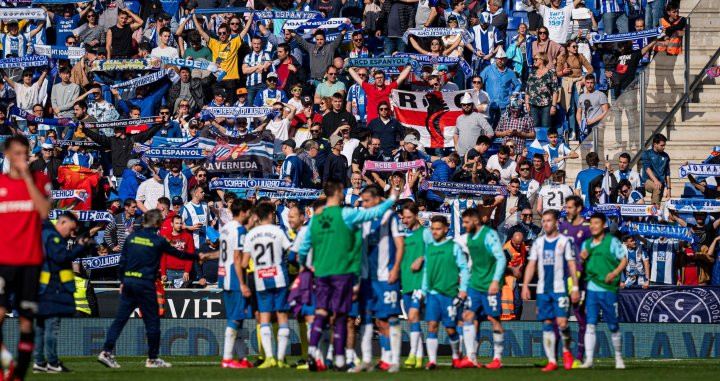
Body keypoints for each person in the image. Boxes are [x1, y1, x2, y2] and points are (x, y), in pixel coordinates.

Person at [297, 180, 399, 371]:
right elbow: (374, 212)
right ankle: (340, 360)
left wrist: (304, 266)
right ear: (337, 192)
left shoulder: (316, 218)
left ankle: (312, 353)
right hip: (342, 272)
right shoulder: (347, 214)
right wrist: (392, 198)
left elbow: (304, 248)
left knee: (321, 312)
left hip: (321, 272)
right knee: (342, 315)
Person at [98, 210, 196, 369]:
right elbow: (181, 255)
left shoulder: (131, 238)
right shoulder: (158, 240)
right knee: (152, 321)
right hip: (145, 284)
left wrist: (122, 281)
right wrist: (200, 257)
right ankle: (152, 358)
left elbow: (122, 261)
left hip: (129, 282)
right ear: (158, 223)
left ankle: (106, 352)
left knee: (120, 319)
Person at [0, 136, 51, 381]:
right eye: (16, 153)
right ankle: (7, 362)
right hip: (3, 261)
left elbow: (43, 211)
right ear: (7, 155)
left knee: (26, 323)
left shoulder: (40, 180)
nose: (21, 157)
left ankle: (18, 375)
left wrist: (27, 178)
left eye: (25, 153)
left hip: (30, 261)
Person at [522, 210, 580, 371]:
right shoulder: (538, 243)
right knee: (547, 323)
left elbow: (571, 265)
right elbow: (531, 265)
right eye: (544, 221)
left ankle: (567, 353)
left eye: (549, 220)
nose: (545, 223)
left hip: (560, 289)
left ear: (556, 223)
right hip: (542, 291)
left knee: (562, 323)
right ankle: (552, 360)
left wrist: (575, 287)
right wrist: (526, 285)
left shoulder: (565, 241)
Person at [34, 213, 90, 374]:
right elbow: (61, 257)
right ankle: (51, 362)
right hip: (52, 288)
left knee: (41, 327)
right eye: (71, 229)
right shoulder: (53, 237)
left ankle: (39, 361)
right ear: (63, 222)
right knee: (52, 326)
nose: (71, 234)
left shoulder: (45, 233)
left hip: (43, 286)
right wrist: (80, 246)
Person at [242, 203, 293, 368]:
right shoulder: (278, 231)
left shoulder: (251, 234)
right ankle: (280, 358)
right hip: (279, 277)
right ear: (271, 215)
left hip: (260, 278)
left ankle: (269, 358)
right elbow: (291, 252)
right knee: (282, 316)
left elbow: (244, 262)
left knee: (263, 318)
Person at [456, 208, 506, 369]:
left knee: (494, 319)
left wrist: (495, 281)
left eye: (466, 222)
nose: (464, 225)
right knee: (469, 316)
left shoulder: (489, 236)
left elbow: (500, 259)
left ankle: (497, 358)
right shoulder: (467, 238)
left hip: (489, 285)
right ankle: (471, 357)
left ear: (475, 221)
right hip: (474, 285)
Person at [579, 212, 628, 369]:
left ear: (603, 225)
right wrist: (581, 258)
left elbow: (624, 260)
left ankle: (619, 358)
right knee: (591, 324)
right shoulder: (586, 244)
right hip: (592, 289)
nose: (593, 226)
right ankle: (589, 360)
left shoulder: (612, 242)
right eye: (591, 223)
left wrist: (614, 273)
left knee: (613, 325)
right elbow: (580, 264)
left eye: (596, 223)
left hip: (609, 290)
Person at [421, 215, 469, 370]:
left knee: (450, 329)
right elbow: (426, 271)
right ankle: (432, 361)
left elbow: (464, 268)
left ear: (446, 229)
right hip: (433, 294)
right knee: (432, 326)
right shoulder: (429, 247)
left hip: (449, 294)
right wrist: (422, 291)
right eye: (432, 229)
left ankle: (456, 357)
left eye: (438, 229)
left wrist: (462, 291)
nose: (434, 232)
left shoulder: (453, 246)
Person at [216, 199, 254, 369]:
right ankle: (227, 359)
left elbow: (225, 252)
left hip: (223, 276)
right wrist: (242, 283)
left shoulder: (225, 228)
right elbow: (238, 257)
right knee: (235, 318)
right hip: (234, 278)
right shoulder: (239, 230)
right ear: (244, 212)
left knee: (237, 319)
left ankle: (241, 358)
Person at [398, 201, 425, 369]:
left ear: (416, 216)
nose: (405, 220)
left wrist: (423, 258)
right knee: (410, 319)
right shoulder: (404, 235)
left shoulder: (426, 234)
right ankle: (419, 355)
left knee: (414, 315)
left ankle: (413, 354)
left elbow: (433, 253)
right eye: (403, 217)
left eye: (408, 217)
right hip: (406, 282)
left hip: (420, 283)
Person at [480, 48, 522, 126]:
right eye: (498, 59)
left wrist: (515, 93)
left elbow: (518, 84)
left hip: (504, 104)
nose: (500, 61)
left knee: (502, 126)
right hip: (490, 103)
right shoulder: (488, 69)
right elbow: (479, 82)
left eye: (502, 59)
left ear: (505, 60)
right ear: (495, 59)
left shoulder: (510, 72)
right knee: (487, 126)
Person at [160, 215, 195, 288]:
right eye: (177, 223)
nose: (179, 225)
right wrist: (163, 273)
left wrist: (187, 271)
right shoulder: (166, 237)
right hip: (169, 272)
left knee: (182, 296)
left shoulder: (188, 236)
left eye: (180, 223)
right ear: (172, 224)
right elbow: (163, 256)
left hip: (183, 272)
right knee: (169, 296)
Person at [525, 52, 559, 128]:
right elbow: (527, 89)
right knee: (534, 126)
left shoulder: (551, 73)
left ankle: (544, 140)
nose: (534, 61)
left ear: (542, 60)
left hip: (546, 104)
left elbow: (555, 91)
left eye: (536, 59)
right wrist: (527, 104)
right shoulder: (532, 73)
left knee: (546, 126)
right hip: (533, 104)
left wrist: (553, 105)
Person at [454, 93, 493, 157]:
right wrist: (456, 146)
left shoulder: (478, 116)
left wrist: (482, 145)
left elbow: (490, 131)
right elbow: (456, 134)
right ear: (461, 106)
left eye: (468, 104)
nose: (466, 106)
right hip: (460, 154)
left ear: (472, 105)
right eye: (464, 104)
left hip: (474, 155)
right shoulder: (459, 118)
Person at [576, 74, 609, 140]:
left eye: (591, 83)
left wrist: (592, 121)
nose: (589, 85)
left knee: (596, 149)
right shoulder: (581, 96)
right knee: (585, 149)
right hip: (584, 129)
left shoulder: (601, 95)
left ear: (595, 82)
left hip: (596, 127)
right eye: (587, 83)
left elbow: (606, 111)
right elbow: (578, 112)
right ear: (585, 83)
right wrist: (580, 124)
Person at [641, 133, 671, 205]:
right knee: (656, 187)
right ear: (655, 144)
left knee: (657, 203)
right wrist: (656, 181)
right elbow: (647, 169)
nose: (664, 147)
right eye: (662, 145)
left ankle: (653, 213)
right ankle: (653, 213)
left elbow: (667, 174)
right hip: (647, 181)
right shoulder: (647, 154)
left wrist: (669, 189)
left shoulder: (666, 156)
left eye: (664, 145)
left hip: (661, 183)